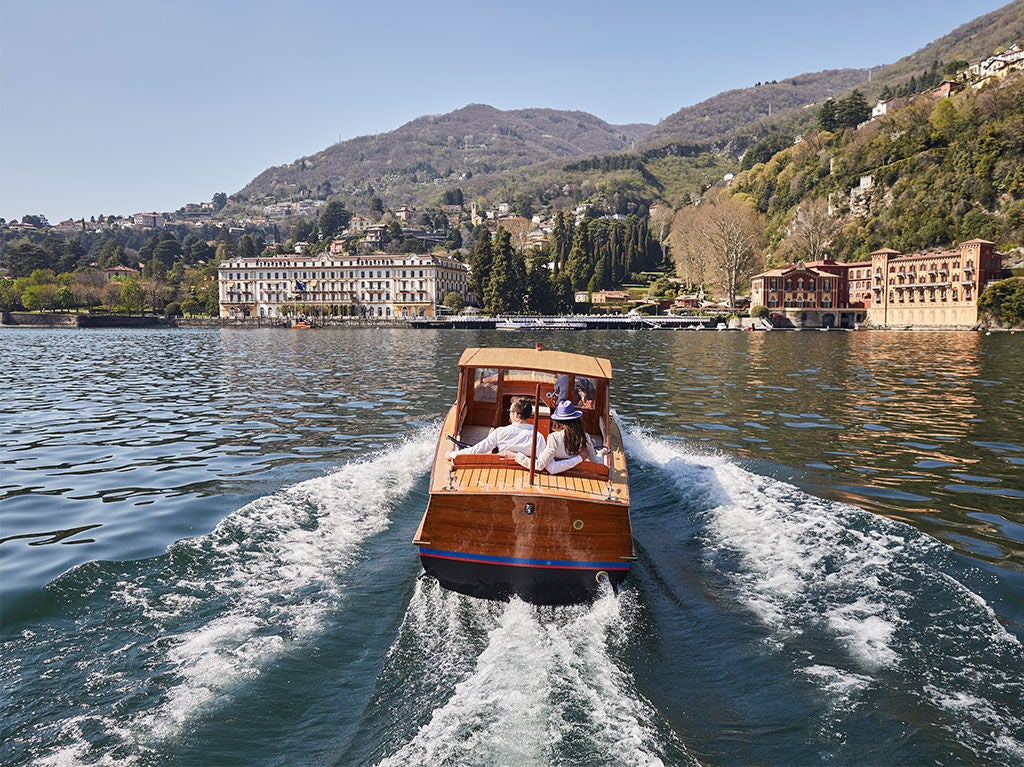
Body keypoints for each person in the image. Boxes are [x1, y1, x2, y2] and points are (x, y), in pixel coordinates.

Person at [504, 400, 607, 474]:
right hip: (578, 476)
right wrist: (599, 453)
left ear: (559, 421)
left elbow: (540, 466)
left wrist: (515, 456)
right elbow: (597, 461)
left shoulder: (554, 438)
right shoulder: (585, 437)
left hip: (558, 476)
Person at [447, 396, 545, 460]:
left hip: (502, 469)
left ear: (516, 414)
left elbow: (478, 449)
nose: (509, 414)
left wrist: (453, 454)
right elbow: (543, 460)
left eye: (510, 411)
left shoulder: (500, 432)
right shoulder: (538, 437)